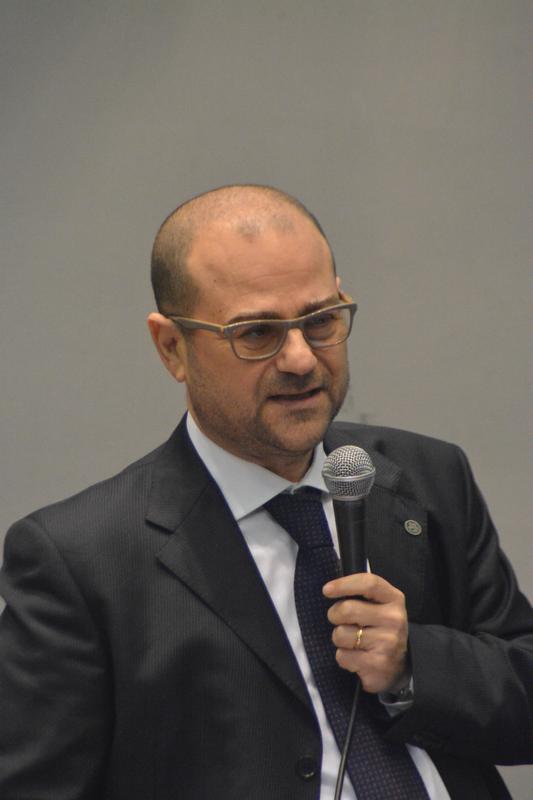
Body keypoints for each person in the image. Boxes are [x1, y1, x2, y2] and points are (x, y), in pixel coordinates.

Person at [0, 184, 531, 800]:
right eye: (256, 333)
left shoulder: (428, 477)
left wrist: (415, 664)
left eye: (321, 320)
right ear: (172, 348)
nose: (302, 360)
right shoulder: (81, 560)